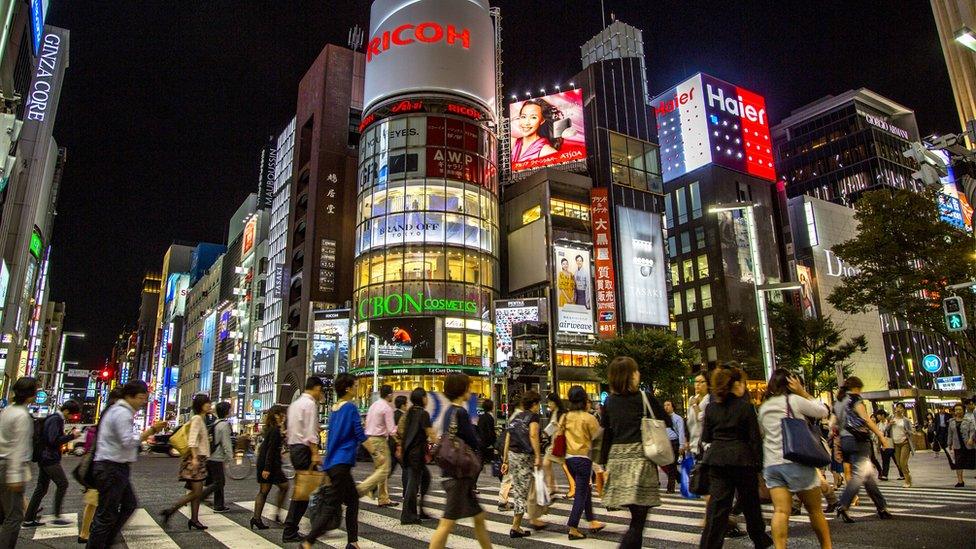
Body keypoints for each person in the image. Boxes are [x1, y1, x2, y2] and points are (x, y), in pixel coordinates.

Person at [598, 357, 672, 549]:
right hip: (640, 460)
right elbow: (666, 421)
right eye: (636, 371)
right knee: (638, 522)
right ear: (630, 376)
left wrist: (603, 465)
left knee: (636, 518)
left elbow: (606, 434)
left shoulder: (610, 403)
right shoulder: (644, 398)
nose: (638, 374)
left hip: (617, 461)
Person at [698, 366, 772, 549]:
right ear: (736, 384)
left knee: (717, 510)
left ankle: (709, 546)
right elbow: (755, 439)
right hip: (743, 461)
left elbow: (706, 437)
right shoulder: (746, 407)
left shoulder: (711, 408)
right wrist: (759, 467)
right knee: (751, 506)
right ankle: (760, 540)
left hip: (717, 461)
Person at [87, 380, 167, 549]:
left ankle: (107, 541)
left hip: (114, 467)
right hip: (111, 467)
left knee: (128, 504)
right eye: (140, 398)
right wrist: (152, 430)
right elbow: (128, 442)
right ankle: (100, 543)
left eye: (145, 399)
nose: (143, 402)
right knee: (106, 516)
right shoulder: (122, 413)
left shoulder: (118, 410)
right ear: (129, 396)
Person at [758, 369, 831, 549]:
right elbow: (823, 411)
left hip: (772, 465)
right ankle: (827, 547)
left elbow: (762, 434)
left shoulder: (764, 408)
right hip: (796, 461)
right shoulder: (794, 401)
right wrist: (802, 392)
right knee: (814, 510)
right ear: (791, 383)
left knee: (781, 511)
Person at [302, 373, 366, 549]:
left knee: (352, 500)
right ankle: (308, 541)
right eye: (355, 385)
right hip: (342, 463)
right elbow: (360, 434)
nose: (356, 388)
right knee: (331, 504)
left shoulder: (335, 409)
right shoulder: (351, 408)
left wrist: (327, 463)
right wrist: (377, 453)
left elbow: (331, 439)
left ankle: (352, 542)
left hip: (334, 463)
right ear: (347, 388)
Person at [429, 374, 492, 549]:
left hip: (456, 474)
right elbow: (473, 440)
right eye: (468, 388)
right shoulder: (461, 412)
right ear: (462, 390)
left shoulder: (449, 410)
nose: (470, 392)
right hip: (458, 477)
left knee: (479, 517)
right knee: (446, 523)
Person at [833, 377, 892, 523]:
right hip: (858, 439)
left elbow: (833, 423)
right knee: (860, 474)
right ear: (857, 387)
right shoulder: (855, 399)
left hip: (845, 440)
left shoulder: (838, 401)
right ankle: (843, 504)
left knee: (867, 476)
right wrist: (881, 436)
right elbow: (865, 419)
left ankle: (882, 507)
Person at [23, 399, 81, 528]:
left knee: (41, 488)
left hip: (45, 457)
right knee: (62, 483)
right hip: (49, 458)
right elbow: (53, 440)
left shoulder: (54, 418)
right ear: (66, 411)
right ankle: (57, 516)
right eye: (72, 414)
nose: (72, 417)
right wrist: (72, 436)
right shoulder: (56, 419)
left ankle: (28, 519)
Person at [161, 393, 213, 530]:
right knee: (196, 492)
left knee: (197, 491)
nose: (209, 405)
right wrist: (195, 458)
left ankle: (194, 519)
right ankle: (170, 511)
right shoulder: (197, 419)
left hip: (198, 458)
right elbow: (192, 440)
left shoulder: (202, 419)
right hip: (195, 459)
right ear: (200, 406)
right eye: (207, 403)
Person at [283, 376, 325, 542]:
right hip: (304, 450)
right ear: (316, 388)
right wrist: (315, 454)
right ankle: (290, 529)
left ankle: (292, 528)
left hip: (295, 449)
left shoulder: (295, 404)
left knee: (303, 491)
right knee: (303, 492)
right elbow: (310, 434)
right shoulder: (309, 404)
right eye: (320, 390)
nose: (320, 394)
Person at [501, 390, 546, 538]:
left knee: (520, 489)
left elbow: (507, 438)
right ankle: (516, 526)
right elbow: (533, 435)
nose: (538, 406)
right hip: (524, 456)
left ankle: (519, 524)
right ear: (534, 404)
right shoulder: (533, 417)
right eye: (538, 403)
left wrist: (505, 460)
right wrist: (538, 456)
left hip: (513, 455)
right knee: (522, 492)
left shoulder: (516, 417)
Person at [0, 377, 39, 547]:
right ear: (30, 395)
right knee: (14, 517)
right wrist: (15, 476)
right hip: (10, 466)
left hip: (2, 462)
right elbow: (19, 447)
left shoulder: (7, 410)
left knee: (4, 512)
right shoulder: (23, 416)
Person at [563, 385, 605, 540]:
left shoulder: (565, 417)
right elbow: (598, 438)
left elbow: (556, 434)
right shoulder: (589, 418)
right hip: (583, 458)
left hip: (569, 459)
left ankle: (592, 520)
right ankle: (573, 527)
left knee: (584, 488)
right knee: (581, 492)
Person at [399, 388, 435, 524]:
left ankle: (420, 511)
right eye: (426, 397)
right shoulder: (423, 414)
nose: (427, 399)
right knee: (412, 485)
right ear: (422, 398)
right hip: (416, 454)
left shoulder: (410, 412)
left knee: (424, 478)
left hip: (407, 452)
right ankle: (408, 515)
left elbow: (402, 431)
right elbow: (430, 433)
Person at [358, 384, 397, 507]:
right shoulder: (387, 408)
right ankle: (365, 488)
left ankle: (383, 498)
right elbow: (392, 430)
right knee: (385, 469)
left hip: (370, 440)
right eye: (392, 393)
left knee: (380, 468)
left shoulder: (373, 406)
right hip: (380, 440)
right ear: (389, 394)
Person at [511, 97, 563, 163]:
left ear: (542, 121)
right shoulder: (512, 143)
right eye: (523, 117)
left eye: (533, 117)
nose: (526, 123)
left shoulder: (547, 152)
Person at [543, 392, 573, 498]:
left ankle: (573, 486)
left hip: (559, 443)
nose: (549, 405)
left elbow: (564, 427)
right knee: (546, 464)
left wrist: (558, 425)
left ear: (555, 402)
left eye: (550, 402)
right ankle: (552, 487)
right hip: (553, 443)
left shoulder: (563, 413)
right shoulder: (552, 413)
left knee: (565, 465)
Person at [205, 401, 233, 512]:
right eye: (230, 409)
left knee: (217, 482)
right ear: (226, 412)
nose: (231, 411)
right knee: (219, 482)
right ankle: (201, 496)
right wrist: (230, 457)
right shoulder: (224, 425)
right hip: (217, 457)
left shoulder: (215, 423)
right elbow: (226, 443)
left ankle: (219, 505)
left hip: (211, 455)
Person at [947, 403, 976, 487]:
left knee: (973, 462)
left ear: (963, 410)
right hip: (957, 445)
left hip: (969, 444)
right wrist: (949, 443)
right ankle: (960, 481)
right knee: (958, 464)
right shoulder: (951, 421)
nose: (958, 411)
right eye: (956, 410)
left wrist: (971, 438)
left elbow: (972, 430)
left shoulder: (968, 420)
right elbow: (950, 433)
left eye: (960, 409)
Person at [662, 400, 686, 493]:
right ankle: (681, 479)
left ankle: (670, 488)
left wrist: (681, 445)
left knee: (671, 465)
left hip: (674, 443)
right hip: (666, 443)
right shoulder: (663, 419)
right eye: (665, 405)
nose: (666, 407)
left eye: (668, 405)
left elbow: (681, 432)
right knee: (669, 465)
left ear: (673, 407)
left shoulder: (677, 418)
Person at [887, 403, 914, 487]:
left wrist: (908, 432)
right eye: (897, 407)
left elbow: (912, 431)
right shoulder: (891, 418)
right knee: (898, 463)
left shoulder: (906, 420)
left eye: (901, 408)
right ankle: (908, 476)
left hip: (904, 443)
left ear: (903, 410)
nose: (898, 409)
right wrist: (889, 424)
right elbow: (886, 430)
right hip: (895, 444)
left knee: (903, 462)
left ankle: (907, 481)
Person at [476, 399, 497, 480]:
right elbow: (490, 432)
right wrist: (494, 443)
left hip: (481, 443)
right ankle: (505, 483)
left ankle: (473, 485)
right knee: (498, 462)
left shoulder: (481, 417)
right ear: (491, 407)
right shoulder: (489, 418)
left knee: (480, 465)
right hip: (487, 445)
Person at [391, 395, 408, 480]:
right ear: (403, 405)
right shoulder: (404, 416)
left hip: (391, 445)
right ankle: (407, 491)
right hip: (400, 446)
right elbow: (403, 432)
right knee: (406, 469)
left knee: (388, 471)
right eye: (406, 404)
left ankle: (374, 489)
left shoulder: (392, 415)